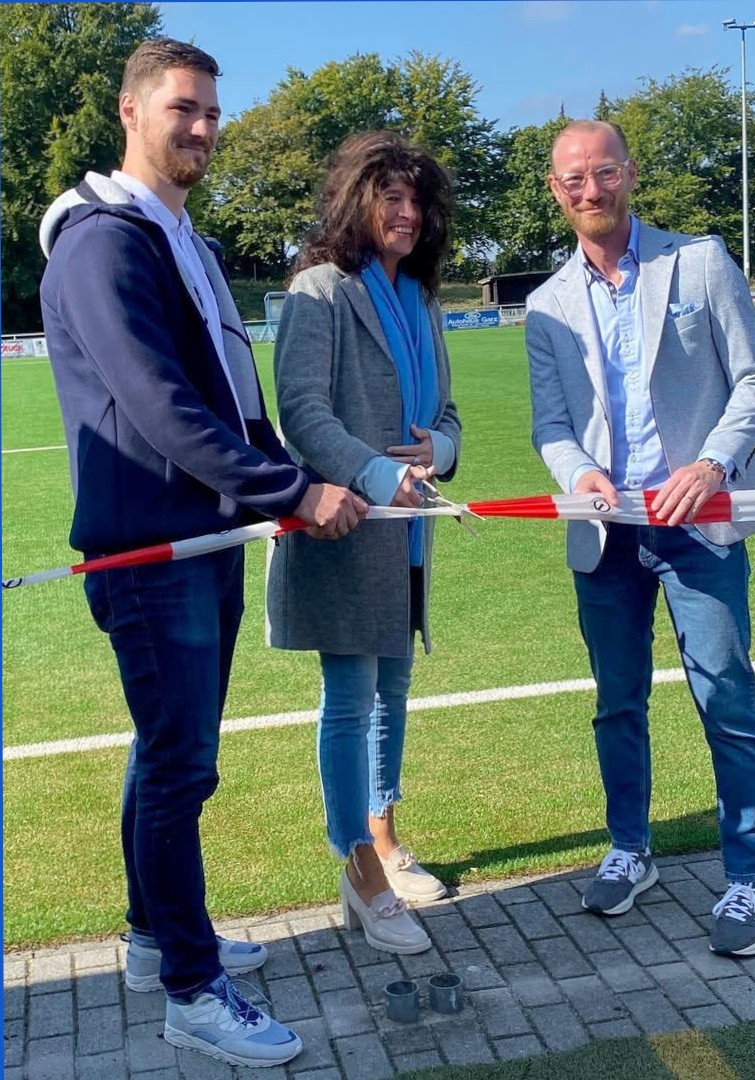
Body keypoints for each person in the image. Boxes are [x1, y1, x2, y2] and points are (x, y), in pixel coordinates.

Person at [38, 38, 366, 1069]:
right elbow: (159, 404)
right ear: (132, 112)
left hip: (207, 537)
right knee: (183, 767)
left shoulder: (184, 238)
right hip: (151, 550)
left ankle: (152, 939)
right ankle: (189, 987)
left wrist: (276, 473)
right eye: (184, 108)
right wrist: (293, 489)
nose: (203, 128)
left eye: (213, 112)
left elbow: (231, 396)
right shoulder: (104, 242)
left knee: (165, 757)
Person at [525, 119, 755, 958]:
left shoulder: (699, 261)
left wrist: (711, 464)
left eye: (603, 174)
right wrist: (581, 478)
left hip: (700, 525)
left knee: (727, 700)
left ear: (630, 174)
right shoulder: (544, 304)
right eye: (573, 181)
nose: (590, 191)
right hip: (607, 536)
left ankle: (749, 878)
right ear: (556, 191)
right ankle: (630, 850)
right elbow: (553, 426)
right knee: (617, 703)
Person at [266, 130, 461, 954]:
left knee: (395, 691)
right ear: (357, 201)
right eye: (391, 197)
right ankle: (360, 874)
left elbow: (445, 419)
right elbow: (303, 411)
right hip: (344, 527)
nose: (408, 213)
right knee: (350, 699)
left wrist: (437, 452)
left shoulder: (419, 299)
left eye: (418, 201)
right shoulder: (322, 288)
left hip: (406, 536)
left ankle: (383, 838)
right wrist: (380, 475)